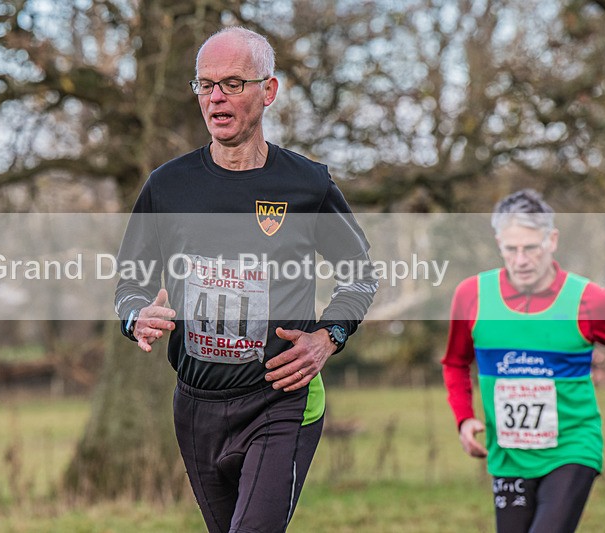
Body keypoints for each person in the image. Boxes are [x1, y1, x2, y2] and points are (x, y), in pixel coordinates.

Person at [114, 27, 377, 533]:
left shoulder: (307, 184)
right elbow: (130, 277)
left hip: (281, 399)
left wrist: (329, 337)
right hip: (195, 405)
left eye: (233, 83)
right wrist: (135, 315)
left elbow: (360, 273)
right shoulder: (168, 186)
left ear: (269, 91)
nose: (216, 97)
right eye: (205, 84)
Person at [442, 189, 605, 533]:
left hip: (572, 447)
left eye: (531, 248)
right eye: (511, 249)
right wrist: (464, 419)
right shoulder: (472, 295)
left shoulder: (589, 300)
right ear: (498, 243)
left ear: (551, 240)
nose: (521, 260)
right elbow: (455, 362)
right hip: (508, 454)